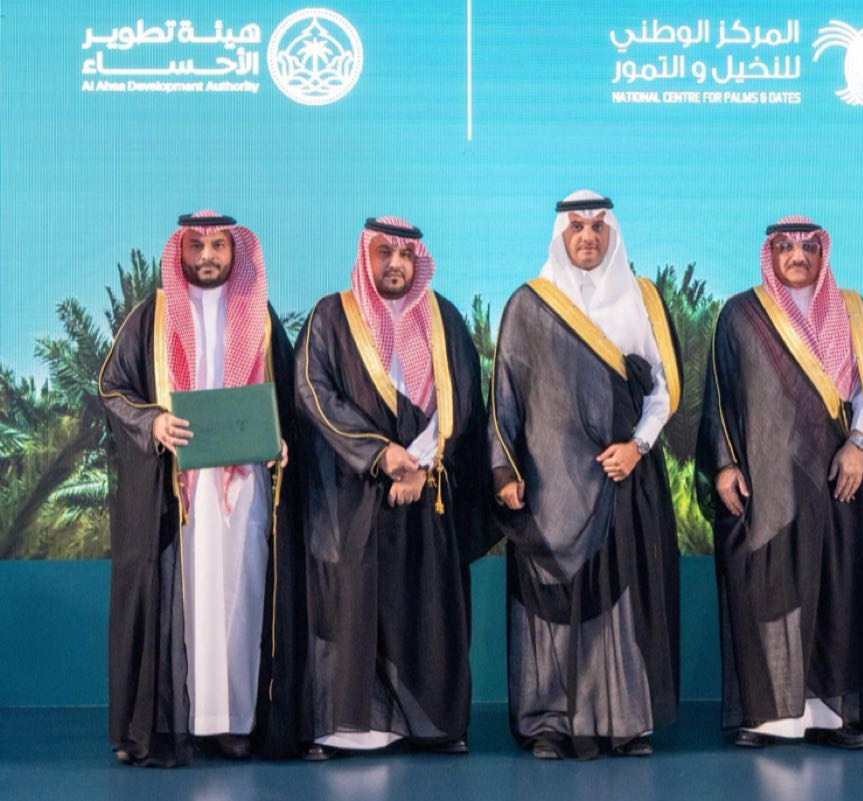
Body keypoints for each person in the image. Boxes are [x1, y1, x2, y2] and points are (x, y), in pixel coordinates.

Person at [99, 211, 304, 766]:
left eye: (218, 246)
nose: (208, 256)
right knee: (187, 600)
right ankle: (182, 721)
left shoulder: (259, 317)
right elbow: (112, 388)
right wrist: (153, 423)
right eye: (197, 246)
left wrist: (282, 441)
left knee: (241, 597)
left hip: (245, 488)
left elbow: (288, 400)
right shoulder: (151, 317)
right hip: (179, 492)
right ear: (180, 250)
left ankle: (234, 724)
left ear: (235, 251)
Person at [489, 190, 682, 759]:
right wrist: (504, 471)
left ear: (611, 232)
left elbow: (664, 390)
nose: (588, 237)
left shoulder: (642, 298)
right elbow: (505, 399)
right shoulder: (529, 304)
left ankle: (624, 721)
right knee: (552, 609)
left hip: (622, 482)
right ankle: (550, 723)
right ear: (561, 235)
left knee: (621, 603)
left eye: (598, 226)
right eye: (577, 227)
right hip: (550, 491)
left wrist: (638, 446)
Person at [295, 217, 491, 760]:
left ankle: (433, 726)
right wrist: (380, 455)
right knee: (350, 608)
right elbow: (313, 393)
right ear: (367, 256)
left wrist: (420, 465)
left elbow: (463, 399)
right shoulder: (332, 316)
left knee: (428, 607)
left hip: (427, 493)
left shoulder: (444, 318)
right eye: (385, 253)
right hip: (352, 496)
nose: (396, 264)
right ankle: (344, 731)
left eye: (406, 255)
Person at [696, 216, 863, 750]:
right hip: (766, 484)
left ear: (822, 253)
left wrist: (857, 445)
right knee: (770, 591)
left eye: (808, 246)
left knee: (837, 591)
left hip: (838, 481)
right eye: (784, 246)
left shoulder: (852, 310)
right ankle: (769, 717)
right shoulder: (740, 314)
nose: (797, 255)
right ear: (770, 252)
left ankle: (833, 717)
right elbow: (719, 396)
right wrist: (724, 465)